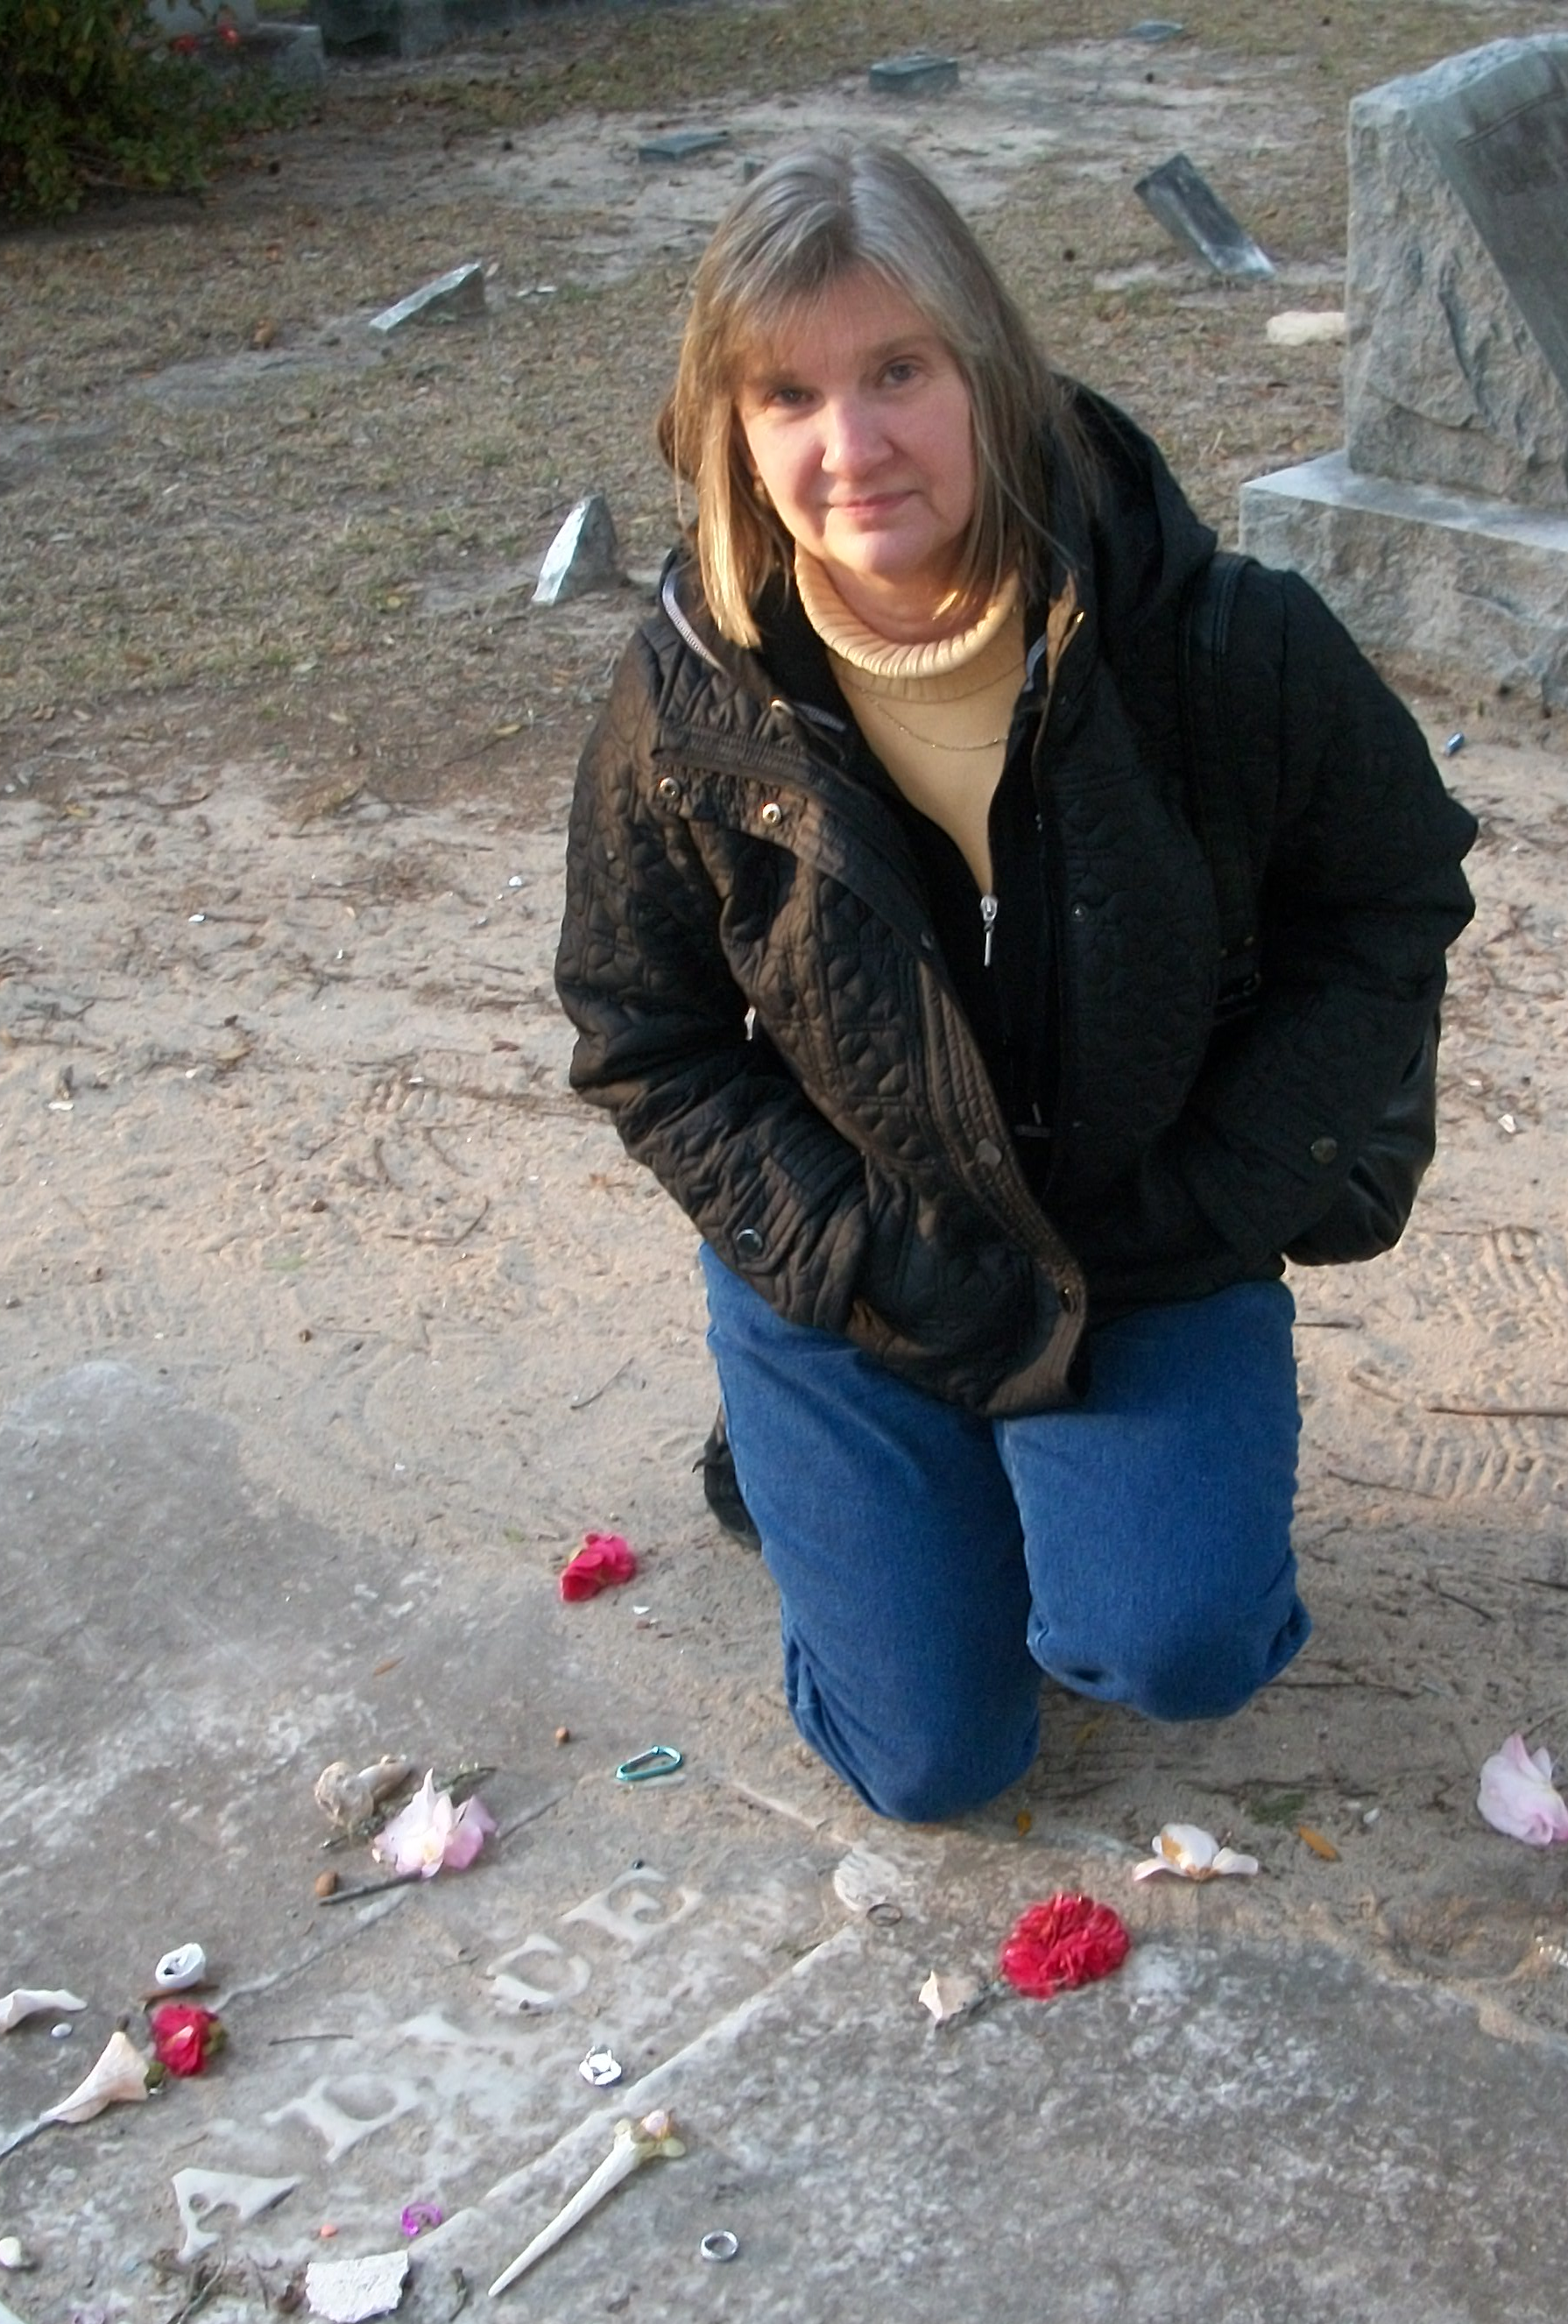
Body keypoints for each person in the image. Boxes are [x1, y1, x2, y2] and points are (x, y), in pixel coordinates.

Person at [555, 145, 1475, 1825]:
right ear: (731, 434)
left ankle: (1039, 1493)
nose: (854, 447)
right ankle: (813, 1450)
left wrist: (1220, 1197)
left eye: (898, 371)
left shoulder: (1216, 639)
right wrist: (842, 1254)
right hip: (865, 1255)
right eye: (789, 396)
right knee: (935, 1764)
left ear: (988, 365)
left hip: (1147, 1235)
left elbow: (1390, 900)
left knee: (1171, 1646)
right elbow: (647, 1034)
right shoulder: (690, 697)